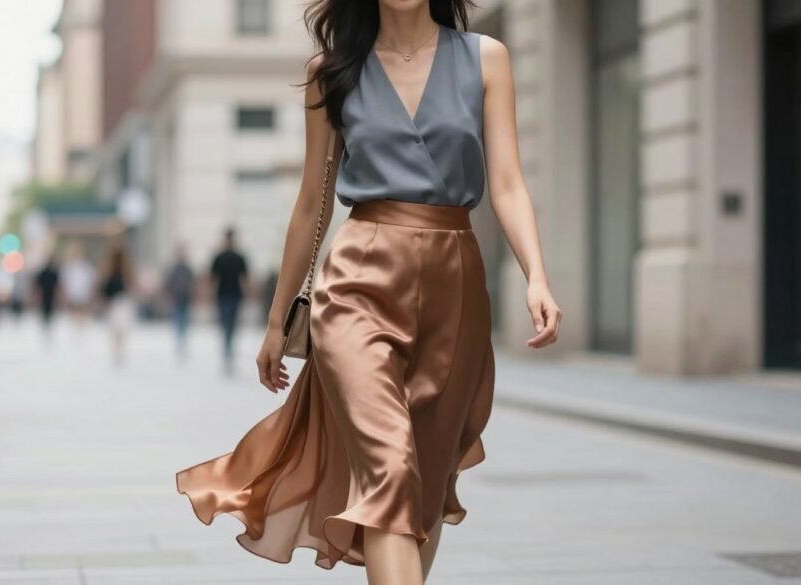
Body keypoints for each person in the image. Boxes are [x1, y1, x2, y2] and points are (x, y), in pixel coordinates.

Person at [176, 2, 562, 583]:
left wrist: (536, 273)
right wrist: (278, 320)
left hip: (455, 286)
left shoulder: (486, 59)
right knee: (388, 473)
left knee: (423, 491)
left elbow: (506, 180)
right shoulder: (332, 72)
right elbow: (312, 204)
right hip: (357, 284)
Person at [207, 228, 249, 374]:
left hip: (234, 296)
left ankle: (229, 350)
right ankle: (227, 351)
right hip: (223, 295)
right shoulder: (220, 257)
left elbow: (245, 278)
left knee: (231, 325)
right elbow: (212, 278)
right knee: (226, 324)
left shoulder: (239, 257)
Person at [98, 240, 136, 366]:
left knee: (116, 328)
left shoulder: (114, 267)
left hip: (116, 301)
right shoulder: (122, 267)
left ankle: (117, 350)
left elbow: (103, 285)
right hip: (121, 300)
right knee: (120, 328)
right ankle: (118, 350)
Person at [164, 244, 196, 360]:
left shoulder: (187, 269)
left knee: (184, 320)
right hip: (177, 298)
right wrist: (169, 296)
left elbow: (192, 283)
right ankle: (179, 342)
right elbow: (168, 284)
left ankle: (183, 341)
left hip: (186, 298)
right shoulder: (174, 269)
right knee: (178, 320)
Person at [60, 243, 96, 333]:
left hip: (83, 294)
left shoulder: (86, 267)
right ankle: (75, 329)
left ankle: (81, 328)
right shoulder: (68, 267)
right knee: (74, 313)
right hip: (73, 294)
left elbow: (90, 281)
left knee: (81, 312)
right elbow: (65, 283)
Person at [34, 254, 60, 339]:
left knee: (49, 313)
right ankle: (45, 329)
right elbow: (38, 286)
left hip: (50, 296)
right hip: (46, 296)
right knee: (45, 313)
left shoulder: (53, 273)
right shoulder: (44, 273)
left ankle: (48, 328)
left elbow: (57, 286)